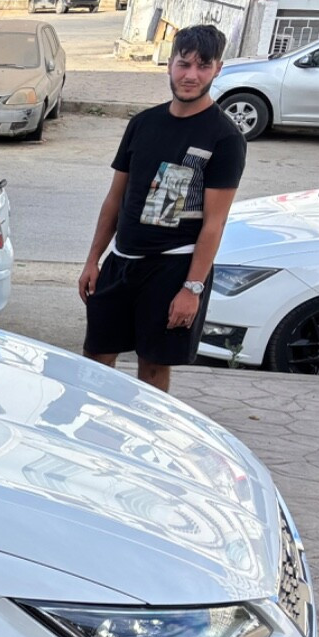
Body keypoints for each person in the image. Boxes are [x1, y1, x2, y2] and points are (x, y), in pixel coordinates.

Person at [78, 23, 246, 394]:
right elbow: (115, 199)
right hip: (121, 261)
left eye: (203, 66)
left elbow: (214, 225)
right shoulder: (143, 123)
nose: (191, 75)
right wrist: (94, 259)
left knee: (153, 368)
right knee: (95, 357)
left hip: (172, 267)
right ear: (169, 64)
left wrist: (192, 288)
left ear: (218, 69)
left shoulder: (224, 137)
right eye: (184, 64)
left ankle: (148, 442)